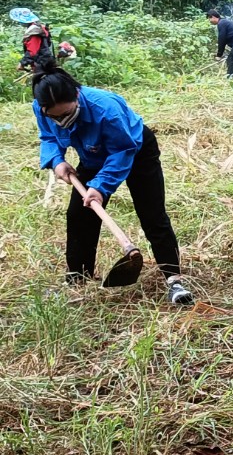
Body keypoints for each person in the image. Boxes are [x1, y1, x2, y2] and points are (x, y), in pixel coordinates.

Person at [32, 68, 194, 304]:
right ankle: (78, 278)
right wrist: (57, 161)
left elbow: (122, 151)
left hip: (134, 149)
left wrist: (100, 186)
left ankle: (174, 281)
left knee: (152, 214)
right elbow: (48, 137)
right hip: (92, 154)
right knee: (78, 214)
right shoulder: (43, 108)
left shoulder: (105, 109)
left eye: (66, 114)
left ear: (77, 95)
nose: (61, 122)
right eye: (55, 117)